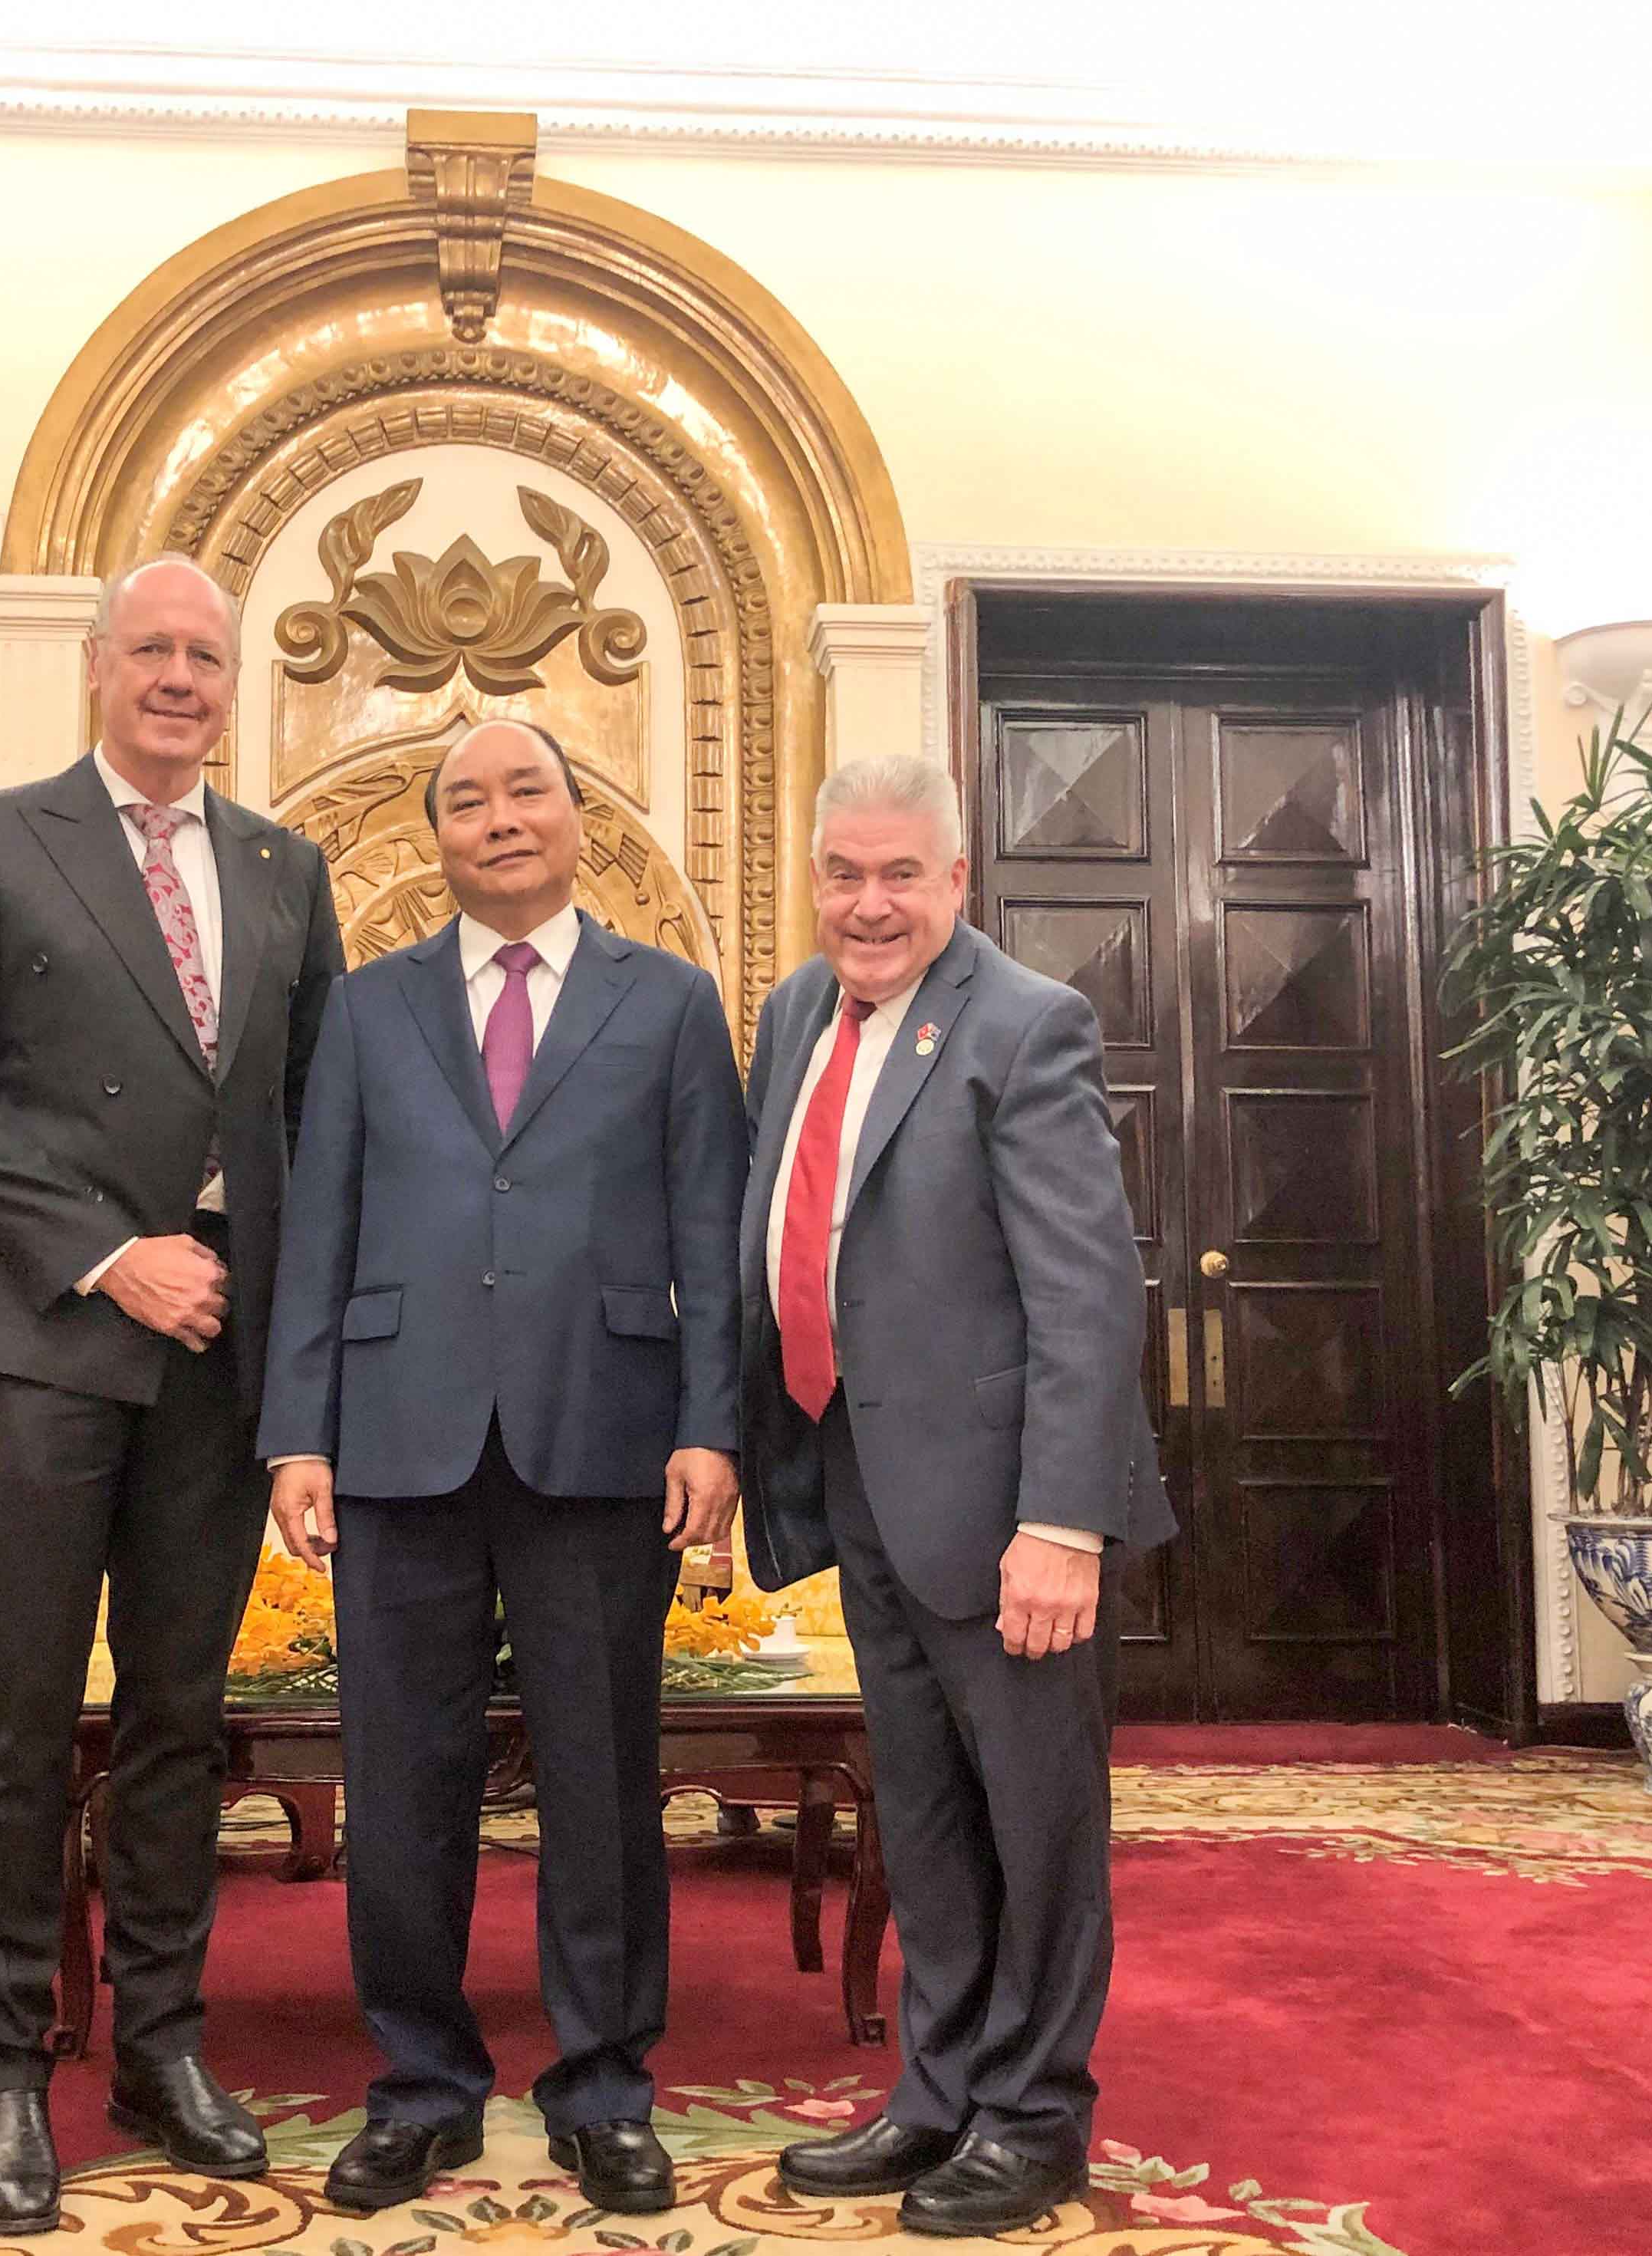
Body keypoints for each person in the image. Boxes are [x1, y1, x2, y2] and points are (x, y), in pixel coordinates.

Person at [0, 554, 344, 2236]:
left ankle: (160, 2049)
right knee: (17, 1720)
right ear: (98, 665)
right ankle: (2, 2070)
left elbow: (315, 1115)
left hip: (221, 1352)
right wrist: (110, 1254)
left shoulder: (287, 868)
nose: (178, 678)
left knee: (176, 1721)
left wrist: (309, 1350)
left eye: (205, 656)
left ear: (234, 684)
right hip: (46, 1341)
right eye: (151, 648)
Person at [256, 720, 747, 2220]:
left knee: (602, 1777)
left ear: (578, 818)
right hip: (398, 1435)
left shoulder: (669, 1002)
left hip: (604, 1430)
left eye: (527, 790)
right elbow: (319, 1227)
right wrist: (297, 1431)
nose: (500, 817)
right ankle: (420, 2085)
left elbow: (713, 1233)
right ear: (439, 838)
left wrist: (712, 1425)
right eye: (466, 801)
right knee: (403, 1779)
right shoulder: (369, 1007)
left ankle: (604, 2085)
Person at [737, 754, 1172, 2240]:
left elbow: (1089, 1293)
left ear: (957, 880)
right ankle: (939, 2092)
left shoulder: (1027, 1024)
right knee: (921, 1818)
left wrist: (1063, 1524)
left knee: (1037, 1826)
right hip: (865, 1483)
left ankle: (1034, 2115)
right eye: (845, 873)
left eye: (901, 875)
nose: (871, 904)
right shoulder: (796, 1014)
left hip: (1006, 1518)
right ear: (814, 877)